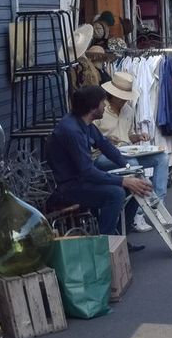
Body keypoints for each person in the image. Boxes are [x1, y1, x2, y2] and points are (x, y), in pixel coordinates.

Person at [45, 85, 151, 239]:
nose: (105, 106)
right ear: (93, 107)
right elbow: (87, 171)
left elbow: (106, 146)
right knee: (116, 194)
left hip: (82, 181)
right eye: (103, 103)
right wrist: (124, 181)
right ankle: (105, 245)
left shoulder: (85, 123)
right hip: (68, 187)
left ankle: (121, 239)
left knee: (137, 189)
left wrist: (129, 168)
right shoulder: (72, 131)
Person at [96, 70, 169, 233]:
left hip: (127, 152)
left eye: (125, 97)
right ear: (111, 94)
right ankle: (138, 213)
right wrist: (106, 142)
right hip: (104, 156)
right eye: (120, 97)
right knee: (133, 165)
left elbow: (128, 136)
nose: (123, 101)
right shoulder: (100, 111)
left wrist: (138, 137)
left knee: (161, 158)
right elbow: (92, 139)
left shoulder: (128, 110)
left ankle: (159, 205)